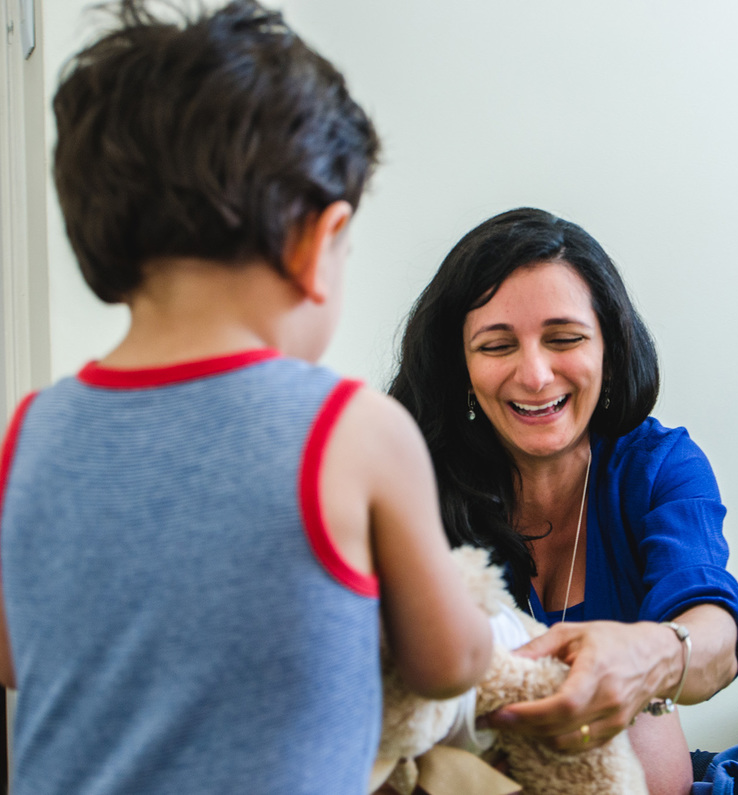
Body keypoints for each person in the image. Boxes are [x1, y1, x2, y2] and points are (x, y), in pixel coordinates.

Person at [0, 2, 492, 793]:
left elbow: (17, 653)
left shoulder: (30, 433)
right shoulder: (354, 431)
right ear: (315, 243)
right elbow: (446, 662)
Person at [389, 207, 738, 795]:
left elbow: (716, 633)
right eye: (497, 345)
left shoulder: (659, 467)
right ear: (461, 367)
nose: (534, 375)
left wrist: (654, 654)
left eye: (564, 339)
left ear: (609, 347)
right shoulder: (412, 485)